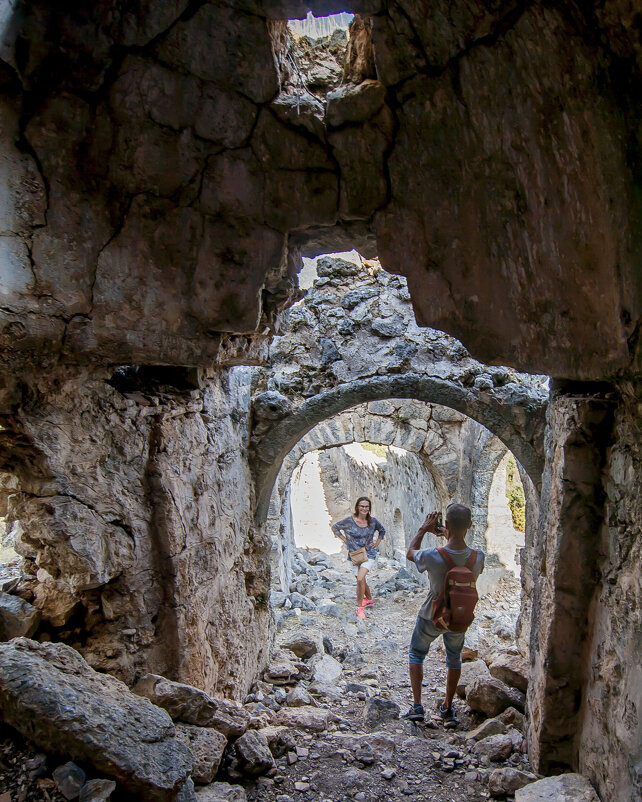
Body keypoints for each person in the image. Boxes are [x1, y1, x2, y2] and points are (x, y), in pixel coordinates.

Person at [403, 504, 485, 726]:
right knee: (454, 657)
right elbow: (459, 556)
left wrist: (422, 529)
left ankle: (417, 706)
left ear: (445, 524)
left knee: (416, 654)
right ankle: (447, 707)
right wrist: (451, 535)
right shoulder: (478, 557)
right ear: (469, 525)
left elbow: (410, 553)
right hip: (460, 618)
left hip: (432, 614)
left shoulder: (432, 555)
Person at [332, 497, 385, 619]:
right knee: (361, 580)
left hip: (369, 554)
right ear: (357, 507)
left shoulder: (373, 522)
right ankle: (370, 599)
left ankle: (360, 608)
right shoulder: (349, 521)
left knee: (360, 579)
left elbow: (382, 531)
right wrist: (345, 540)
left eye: (367, 506)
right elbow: (335, 527)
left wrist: (376, 543)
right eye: (362, 506)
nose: (364, 508)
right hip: (354, 555)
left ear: (369, 508)